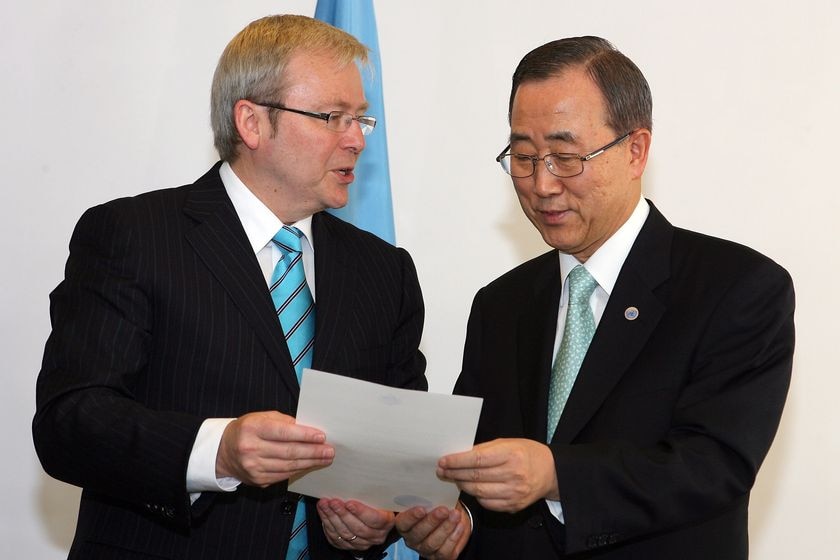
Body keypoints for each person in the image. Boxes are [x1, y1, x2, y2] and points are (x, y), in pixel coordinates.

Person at [32, 14, 426, 560]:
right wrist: (217, 451)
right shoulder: (135, 236)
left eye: (362, 119)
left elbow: (399, 448)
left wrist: (380, 519)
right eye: (333, 117)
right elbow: (70, 423)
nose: (357, 140)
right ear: (252, 122)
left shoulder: (384, 271)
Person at [396, 36, 794, 559]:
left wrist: (556, 475)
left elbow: (713, 466)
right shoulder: (501, 305)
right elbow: (477, 469)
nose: (541, 184)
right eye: (522, 157)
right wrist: (455, 520)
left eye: (565, 156)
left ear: (635, 151)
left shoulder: (736, 287)